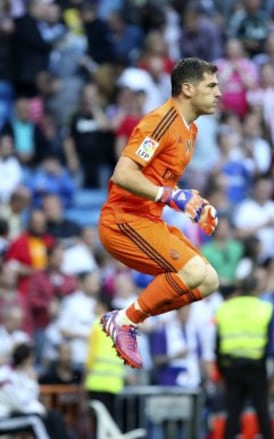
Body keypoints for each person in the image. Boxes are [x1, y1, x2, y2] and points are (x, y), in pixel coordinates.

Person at [98, 57, 221, 369]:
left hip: (147, 219)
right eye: (211, 86)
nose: (219, 93)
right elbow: (123, 174)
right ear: (188, 89)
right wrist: (171, 196)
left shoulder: (189, 131)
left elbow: (160, 181)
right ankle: (125, 320)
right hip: (123, 220)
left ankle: (131, 317)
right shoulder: (160, 121)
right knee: (192, 273)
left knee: (209, 281)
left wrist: (190, 199)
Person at [214, 275, 274, 439]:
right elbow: (271, 345)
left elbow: (217, 344)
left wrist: (222, 371)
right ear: (256, 289)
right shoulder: (266, 308)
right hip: (256, 366)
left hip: (232, 367)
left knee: (233, 414)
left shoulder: (224, 308)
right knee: (262, 413)